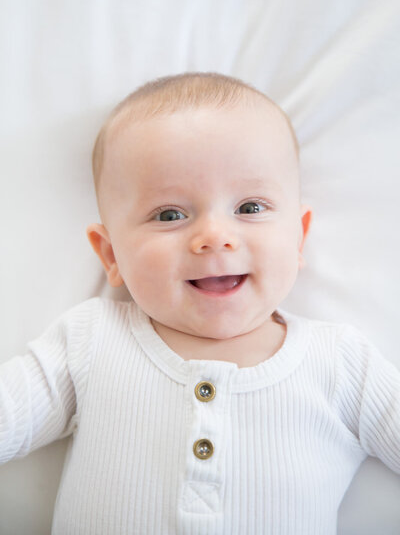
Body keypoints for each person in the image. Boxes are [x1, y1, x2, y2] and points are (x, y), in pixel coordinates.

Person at [1, 72, 399, 534]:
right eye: (170, 214)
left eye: (250, 207)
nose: (214, 237)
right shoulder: (89, 342)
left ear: (298, 239)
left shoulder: (342, 363)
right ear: (112, 256)